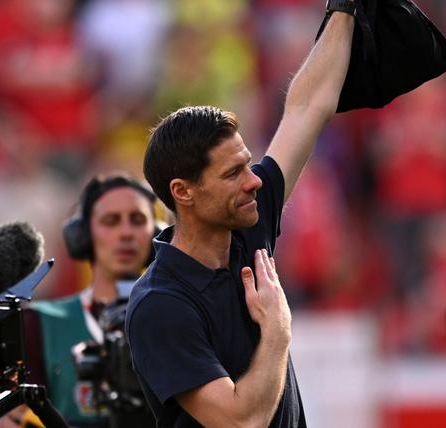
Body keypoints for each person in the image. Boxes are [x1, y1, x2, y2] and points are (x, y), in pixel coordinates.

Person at [124, 1, 356, 426]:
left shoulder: (246, 226)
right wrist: (278, 331)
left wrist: (345, 9)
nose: (253, 181)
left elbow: (308, 106)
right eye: (233, 173)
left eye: (248, 164)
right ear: (183, 192)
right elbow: (239, 422)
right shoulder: (160, 304)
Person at [20, 173, 159, 427]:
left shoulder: (176, 317)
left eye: (138, 220)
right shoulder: (38, 323)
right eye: (111, 221)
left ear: (156, 234)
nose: (126, 232)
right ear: (82, 235)